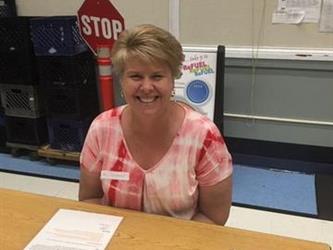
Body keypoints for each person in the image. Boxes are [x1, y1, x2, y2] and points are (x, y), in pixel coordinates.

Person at [79, 24, 233, 225]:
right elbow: (88, 200)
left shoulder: (204, 136)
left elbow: (214, 217)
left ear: (172, 80)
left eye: (157, 76)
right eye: (135, 76)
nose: (146, 87)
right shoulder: (102, 129)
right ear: (121, 81)